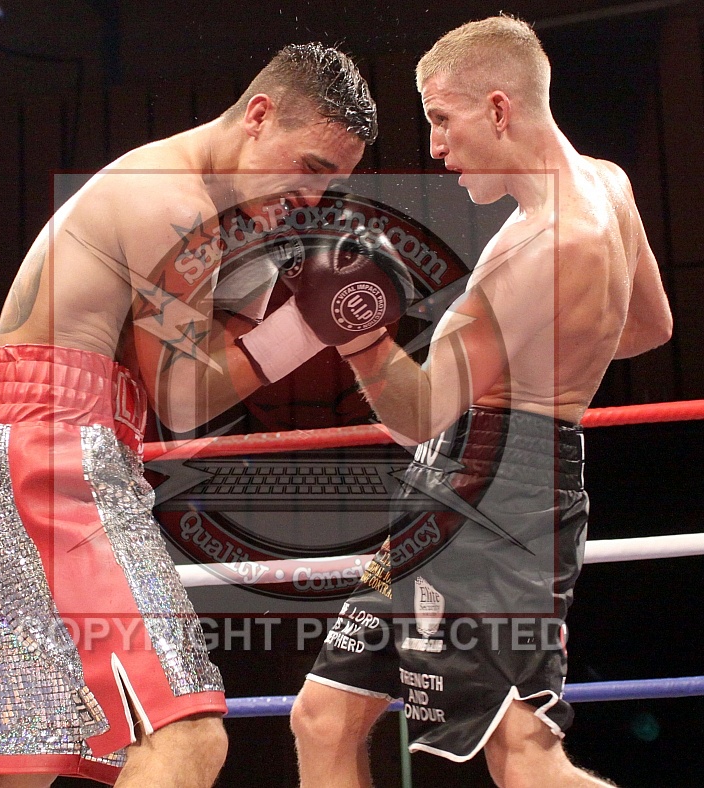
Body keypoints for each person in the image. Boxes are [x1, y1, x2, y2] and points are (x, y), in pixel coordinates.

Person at [0, 42, 401, 788]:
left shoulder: (218, 216)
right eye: (310, 167)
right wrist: (305, 326)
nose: (313, 196)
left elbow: (207, 370)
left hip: (23, 454)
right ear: (258, 115)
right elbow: (184, 398)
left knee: (20, 769)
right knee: (186, 736)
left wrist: (271, 283)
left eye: (331, 183)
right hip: (55, 460)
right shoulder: (173, 203)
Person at [290, 16, 673, 788]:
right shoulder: (608, 185)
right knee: (323, 718)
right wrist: (546, 368)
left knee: (522, 752)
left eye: (442, 118)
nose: (436, 146)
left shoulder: (541, 248)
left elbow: (418, 414)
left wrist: (356, 336)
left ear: (499, 109)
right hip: (464, 487)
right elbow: (647, 325)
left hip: (486, 493)